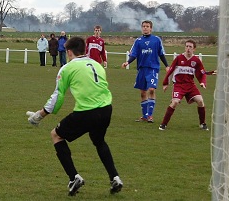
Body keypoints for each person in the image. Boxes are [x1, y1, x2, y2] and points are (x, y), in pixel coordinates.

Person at [26, 36, 123, 196]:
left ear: (69, 52)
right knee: (99, 141)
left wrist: (39, 115)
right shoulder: (97, 65)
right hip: (106, 109)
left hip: (86, 111)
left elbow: (58, 97)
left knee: (56, 135)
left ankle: (74, 178)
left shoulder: (67, 68)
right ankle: (115, 177)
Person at [122, 20, 169, 123]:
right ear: (141, 28)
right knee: (143, 93)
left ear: (151, 28)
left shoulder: (156, 40)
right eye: (143, 26)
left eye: (147, 26)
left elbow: (161, 54)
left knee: (151, 90)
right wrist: (127, 62)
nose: (145, 28)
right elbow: (134, 54)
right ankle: (144, 116)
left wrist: (166, 66)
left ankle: (150, 115)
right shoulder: (138, 41)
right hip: (142, 69)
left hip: (152, 68)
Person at [159, 39, 209, 131]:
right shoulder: (178, 58)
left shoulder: (196, 60)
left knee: (200, 101)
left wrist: (202, 82)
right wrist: (166, 83)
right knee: (175, 102)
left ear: (194, 49)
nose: (188, 48)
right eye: (186, 46)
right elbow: (170, 71)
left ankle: (202, 124)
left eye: (190, 47)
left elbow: (202, 73)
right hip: (179, 85)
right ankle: (163, 124)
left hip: (190, 85)